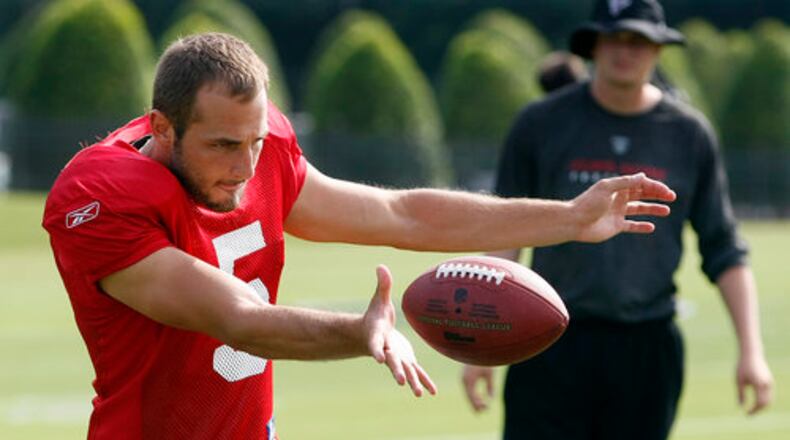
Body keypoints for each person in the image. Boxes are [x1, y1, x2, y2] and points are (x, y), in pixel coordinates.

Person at [42, 32, 675, 439]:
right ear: (163, 126)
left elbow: (401, 214)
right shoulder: (98, 198)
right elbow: (237, 318)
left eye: (256, 142)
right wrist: (360, 332)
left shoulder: (259, 154)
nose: (244, 166)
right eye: (223, 146)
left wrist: (566, 218)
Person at [461, 1, 774, 439]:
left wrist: (752, 352)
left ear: (658, 49)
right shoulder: (540, 123)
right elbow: (506, 231)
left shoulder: (688, 133)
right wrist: (484, 344)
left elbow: (724, 248)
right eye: (614, 37)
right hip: (549, 338)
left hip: (647, 347)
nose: (624, 50)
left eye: (638, 40)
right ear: (593, 44)